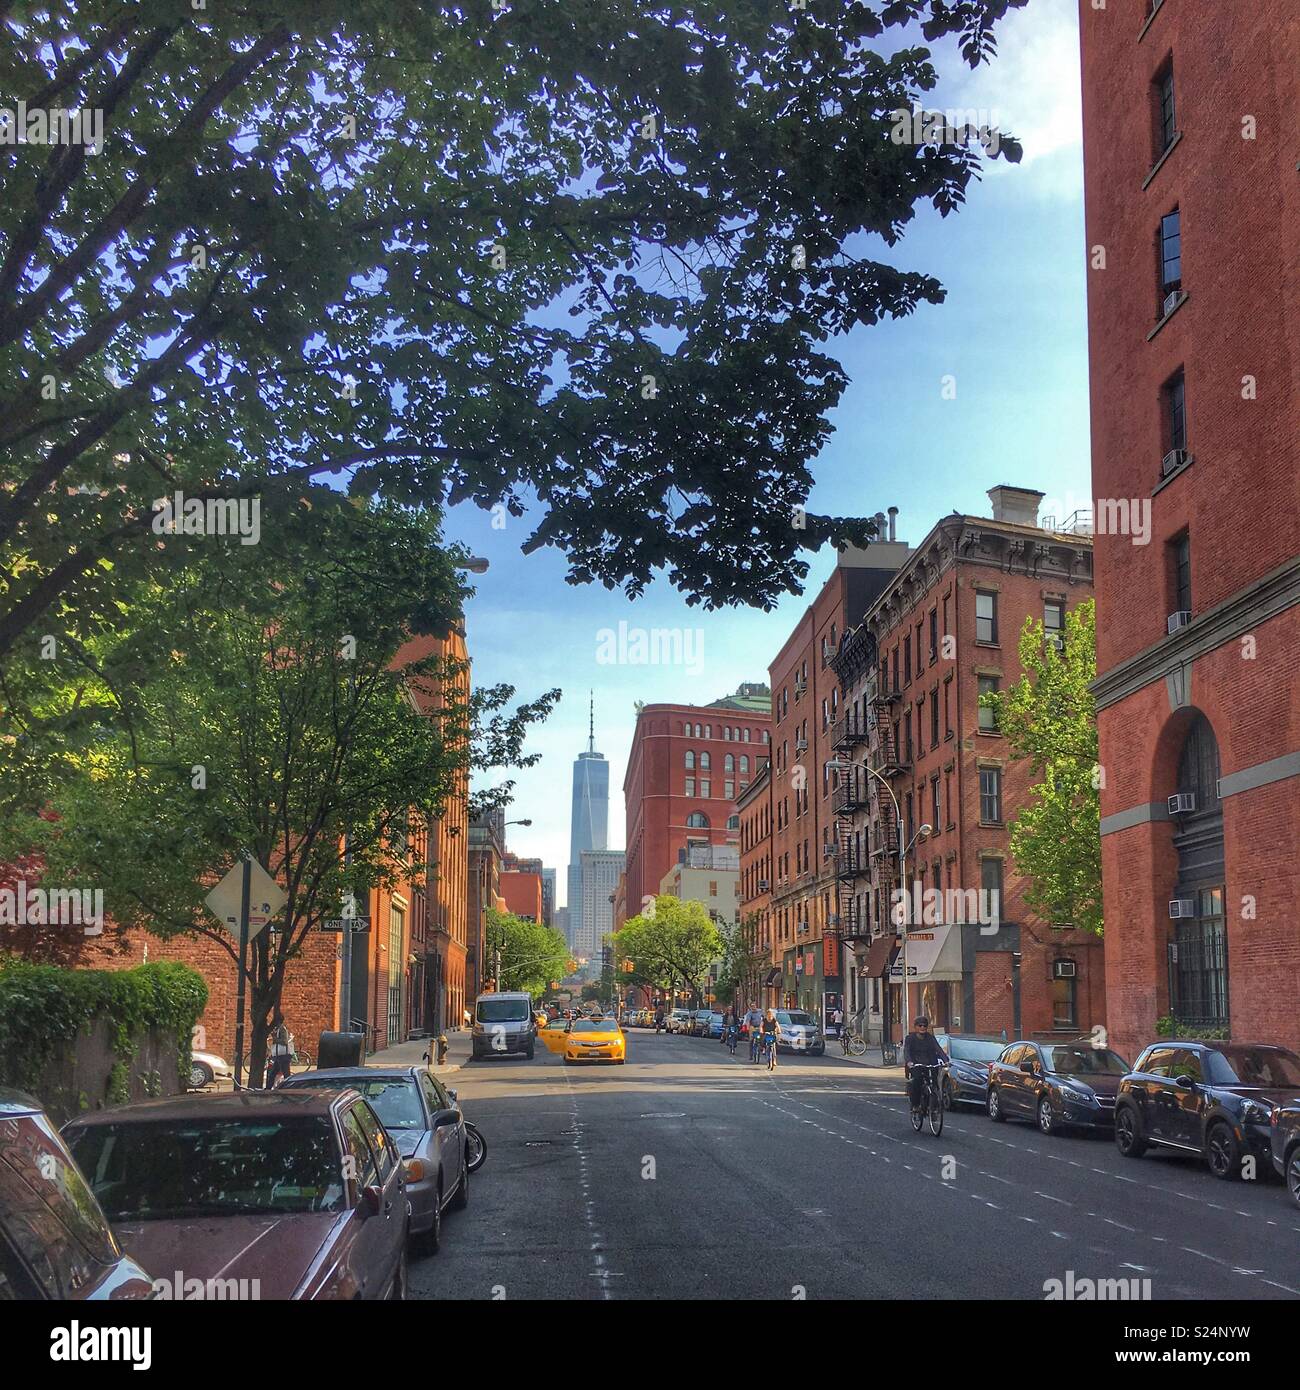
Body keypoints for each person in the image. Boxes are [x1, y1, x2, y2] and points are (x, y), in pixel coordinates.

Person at [903, 1015, 948, 1114]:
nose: (922, 1027)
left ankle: (934, 1107)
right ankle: (915, 1105)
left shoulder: (930, 1038)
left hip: (930, 1064)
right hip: (916, 1065)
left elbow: (938, 1049)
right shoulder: (910, 1038)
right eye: (920, 1025)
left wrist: (946, 1060)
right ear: (915, 1027)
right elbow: (907, 1051)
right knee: (917, 1081)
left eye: (924, 1025)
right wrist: (909, 1062)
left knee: (934, 1084)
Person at [267, 1011, 294, 1088]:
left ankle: (289, 1088)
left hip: (283, 1056)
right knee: (274, 1073)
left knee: (286, 1074)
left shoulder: (282, 1029)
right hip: (279, 1055)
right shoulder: (278, 1029)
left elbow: (284, 1041)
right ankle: (268, 1088)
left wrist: (275, 1038)